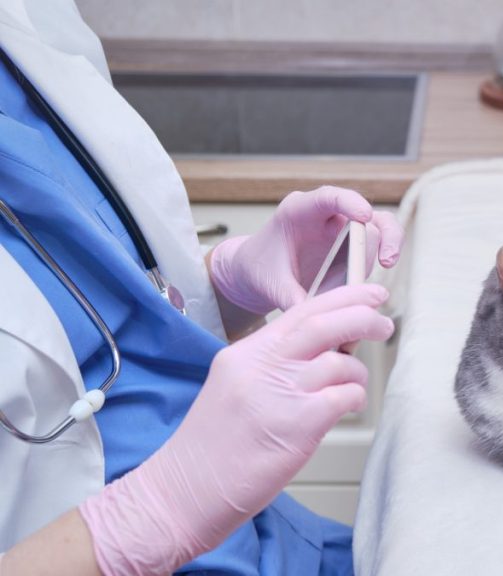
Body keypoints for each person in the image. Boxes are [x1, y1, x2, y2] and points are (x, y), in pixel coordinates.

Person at [0, 1, 402, 574]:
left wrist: (231, 288)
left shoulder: (28, 23)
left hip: (266, 541)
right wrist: (148, 517)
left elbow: (104, 314)